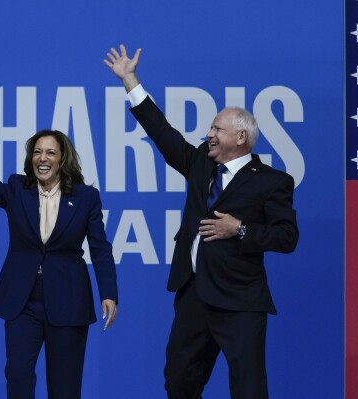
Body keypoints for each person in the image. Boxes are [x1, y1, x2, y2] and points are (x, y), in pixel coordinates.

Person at [104, 45, 299, 399]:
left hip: (240, 299)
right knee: (178, 381)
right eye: (210, 128)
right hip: (193, 294)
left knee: (248, 388)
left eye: (217, 128)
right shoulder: (200, 164)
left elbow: (287, 237)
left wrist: (238, 229)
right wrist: (130, 80)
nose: (209, 133)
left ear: (241, 137)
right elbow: (162, 131)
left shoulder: (272, 181)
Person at [0, 95, 118, 399]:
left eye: (50, 152)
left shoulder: (86, 196)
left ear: (62, 159)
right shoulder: (16, 190)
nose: (43, 158)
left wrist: (109, 293)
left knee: (65, 386)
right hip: (23, 299)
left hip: (68, 298)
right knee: (19, 376)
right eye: (37, 152)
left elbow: (100, 248)